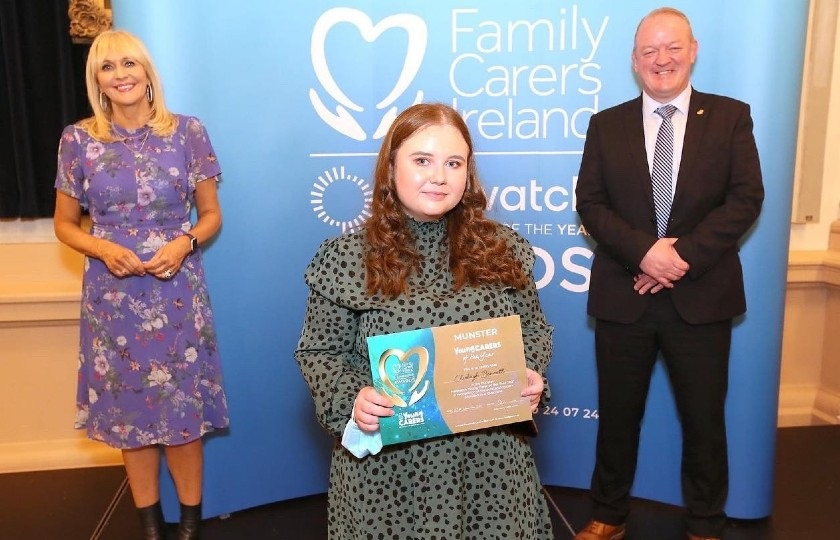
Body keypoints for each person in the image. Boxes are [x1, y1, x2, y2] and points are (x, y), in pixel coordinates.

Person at [295, 102, 554, 539]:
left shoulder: (504, 249)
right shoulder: (345, 258)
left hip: (489, 466)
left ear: (467, 173)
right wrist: (352, 399)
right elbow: (319, 352)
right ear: (390, 166)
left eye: (453, 163)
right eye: (421, 160)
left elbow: (533, 331)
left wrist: (530, 375)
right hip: (389, 475)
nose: (439, 176)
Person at [573, 7, 764, 540]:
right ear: (634, 62)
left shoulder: (730, 117)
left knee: (704, 420)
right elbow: (590, 203)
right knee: (616, 416)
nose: (662, 60)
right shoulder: (604, 124)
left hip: (702, 297)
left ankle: (705, 522)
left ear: (693, 49)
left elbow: (746, 198)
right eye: (649, 51)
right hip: (624, 296)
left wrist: (677, 259)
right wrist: (645, 254)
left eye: (672, 47)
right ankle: (608, 514)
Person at [53, 29, 229, 540]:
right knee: (130, 416)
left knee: (182, 415)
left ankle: (190, 527)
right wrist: (104, 248)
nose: (122, 74)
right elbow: (64, 224)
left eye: (130, 63)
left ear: (148, 71)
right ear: (97, 81)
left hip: (177, 290)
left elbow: (212, 214)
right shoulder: (77, 139)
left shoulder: (187, 132)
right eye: (109, 67)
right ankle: (150, 528)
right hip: (113, 296)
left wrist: (184, 243)